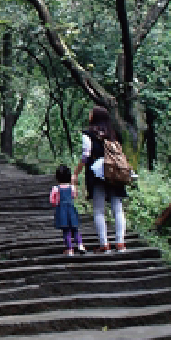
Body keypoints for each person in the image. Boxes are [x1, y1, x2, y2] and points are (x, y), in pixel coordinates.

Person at [74, 105, 127, 252]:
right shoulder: (114, 133)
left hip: (96, 174)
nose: (89, 115)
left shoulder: (88, 134)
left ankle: (104, 244)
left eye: (91, 113)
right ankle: (120, 243)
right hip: (115, 173)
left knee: (98, 211)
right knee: (118, 209)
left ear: (95, 117)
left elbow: (86, 155)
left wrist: (76, 173)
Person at [50, 165, 85, 256]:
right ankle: (80, 245)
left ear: (57, 178)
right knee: (75, 228)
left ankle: (70, 249)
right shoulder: (72, 187)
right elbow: (74, 196)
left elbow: (52, 201)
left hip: (62, 211)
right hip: (71, 209)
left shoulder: (56, 189)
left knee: (66, 230)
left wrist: (57, 203)